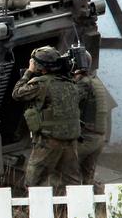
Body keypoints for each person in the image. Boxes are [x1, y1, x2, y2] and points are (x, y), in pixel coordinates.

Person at [12, 46, 81, 188]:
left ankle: (37, 210)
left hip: (49, 141)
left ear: (39, 66)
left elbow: (17, 93)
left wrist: (28, 72)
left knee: (32, 183)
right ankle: (75, 209)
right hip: (70, 140)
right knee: (72, 182)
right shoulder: (70, 82)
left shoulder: (41, 84)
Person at [73, 50, 111, 186]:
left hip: (87, 139)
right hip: (97, 138)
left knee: (65, 170)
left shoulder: (83, 83)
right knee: (87, 177)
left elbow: (68, 102)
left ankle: (65, 206)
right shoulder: (95, 81)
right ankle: (95, 204)